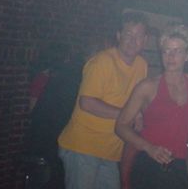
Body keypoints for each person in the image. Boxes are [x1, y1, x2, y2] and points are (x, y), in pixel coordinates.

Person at [58, 11, 149, 189]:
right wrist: (130, 114)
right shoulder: (102, 61)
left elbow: (142, 99)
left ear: (145, 40)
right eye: (128, 34)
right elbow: (87, 103)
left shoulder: (142, 65)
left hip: (110, 151)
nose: (133, 41)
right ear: (119, 36)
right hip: (83, 147)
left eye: (138, 36)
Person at [115, 24, 188, 189]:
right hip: (148, 164)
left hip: (180, 167)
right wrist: (149, 148)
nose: (171, 56)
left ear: (187, 55)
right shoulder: (147, 87)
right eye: (166, 51)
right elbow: (120, 126)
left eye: (177, 51)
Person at [24, 36, 111, 188]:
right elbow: (69, 114)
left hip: (44, 136)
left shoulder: (74, 67)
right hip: (48, 141)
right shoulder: (78, 73)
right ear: (96, 54)